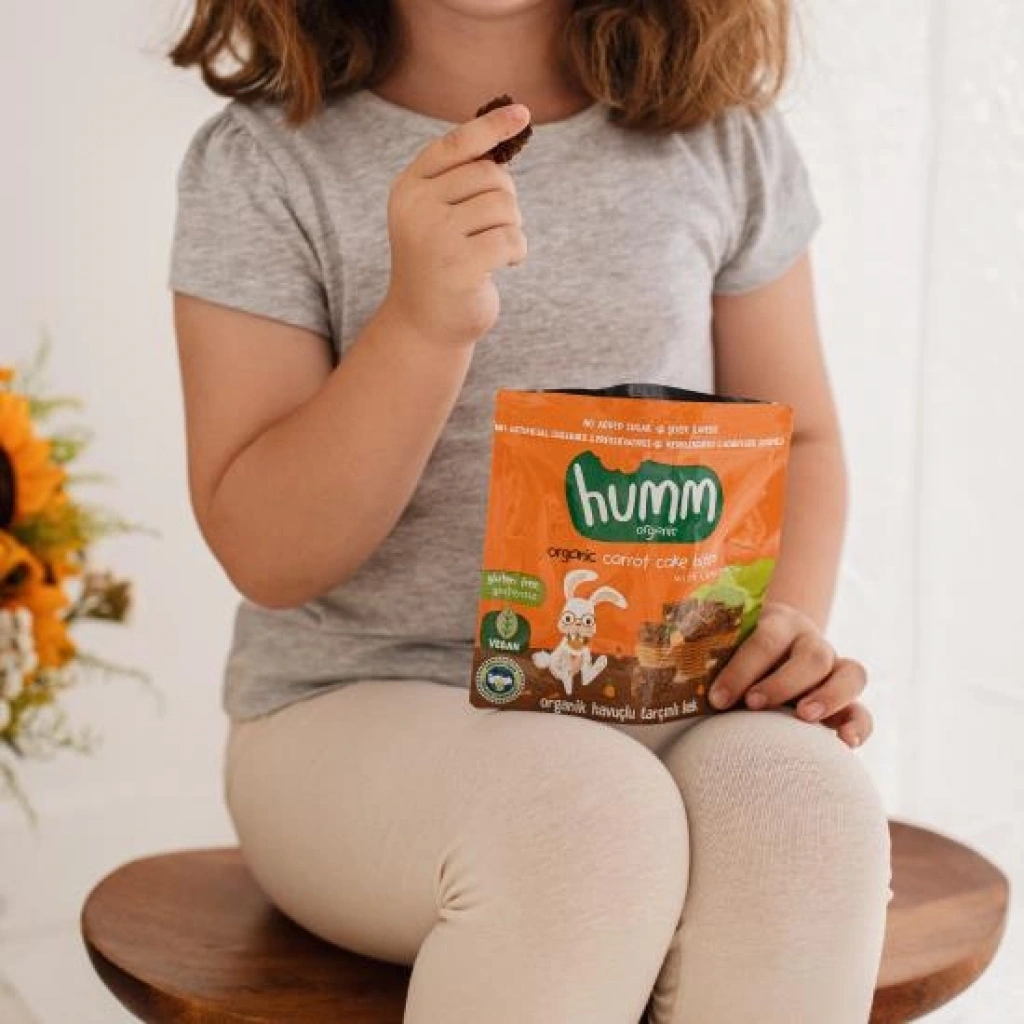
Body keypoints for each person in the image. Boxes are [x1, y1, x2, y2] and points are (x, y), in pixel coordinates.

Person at [167, 1, 892, 1021]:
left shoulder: (722, 141)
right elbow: (270, 553)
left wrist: (781, 631)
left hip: (669, 695)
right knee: (584, 821)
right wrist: (420, 326)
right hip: (351, 710)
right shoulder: (262, 164)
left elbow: (798, 440)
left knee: (807, 812)